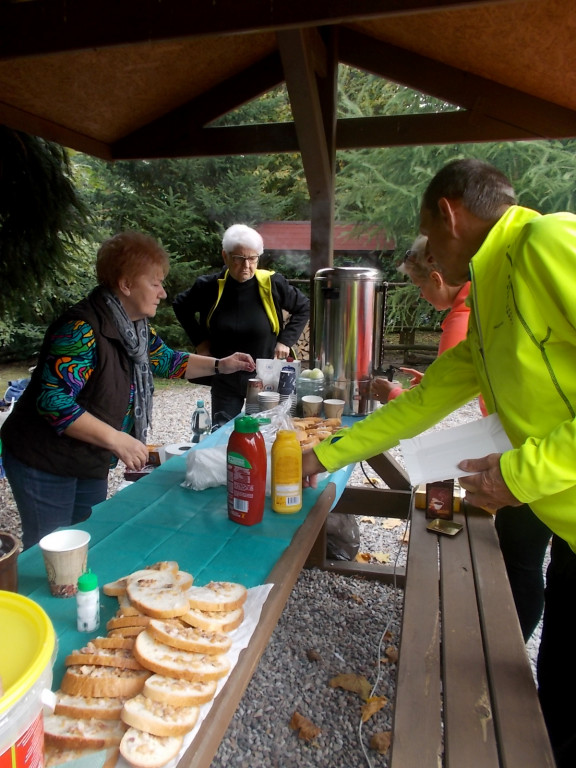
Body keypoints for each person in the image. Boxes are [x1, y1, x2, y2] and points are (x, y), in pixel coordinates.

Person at [302, 158, 576, 767]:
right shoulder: (492, 287)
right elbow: (424, 402)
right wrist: (322, 456)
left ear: (447, 215)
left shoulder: (546, 240)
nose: (426, 257)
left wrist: (519, 475)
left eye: (425, 236)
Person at [1, 231, 255, 550]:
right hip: (43, 459)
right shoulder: (82, 328)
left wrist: (221, 364)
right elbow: (53, 402)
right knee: (49, 554)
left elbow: (168, 361)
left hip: (88, 458)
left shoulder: (133, 328)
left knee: (86, 544)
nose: (163, 293)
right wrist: (117, 438)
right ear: (126, 284)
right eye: (155, 283)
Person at [373, 235, 550, 642]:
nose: (420, 293)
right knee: (527, 556)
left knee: (520, 559)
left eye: (420, 285)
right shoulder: (485, 296)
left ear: (437, 276)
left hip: (527, 449)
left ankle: (505, 648)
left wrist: (395, 396)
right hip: (526, 439)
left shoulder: (465, 310)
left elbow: (436, 402)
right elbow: (459, 382)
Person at [173, 224, 310, 421]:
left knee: (266, 432)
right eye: (239, 259)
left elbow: (303, 306)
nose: (246, 266)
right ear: (225, 256)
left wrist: (286, 341)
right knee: (224, 435)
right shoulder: (209, 286)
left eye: (253, 258)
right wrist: (201, 342)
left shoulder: (272, 284)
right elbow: (181, 306)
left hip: (266, 376)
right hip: (225, 378)